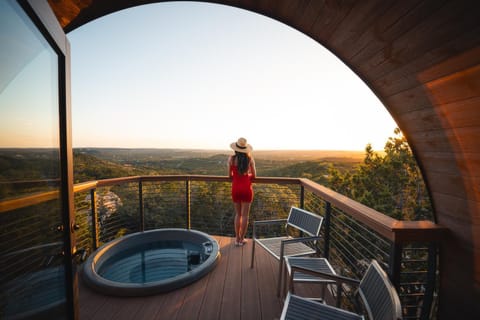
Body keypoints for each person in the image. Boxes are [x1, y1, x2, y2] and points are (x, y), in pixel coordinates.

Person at [228, 137, 257, 246]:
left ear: (236, 149)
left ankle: (236, 239)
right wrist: (248, 175)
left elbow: (229, 175)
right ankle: (241, 239)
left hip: (235, 188)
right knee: (245, 216)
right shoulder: (250, 159)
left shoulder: (231, 159)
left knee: (238, 214)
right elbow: (254, 175)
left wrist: (236, 176)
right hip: (246, 189)